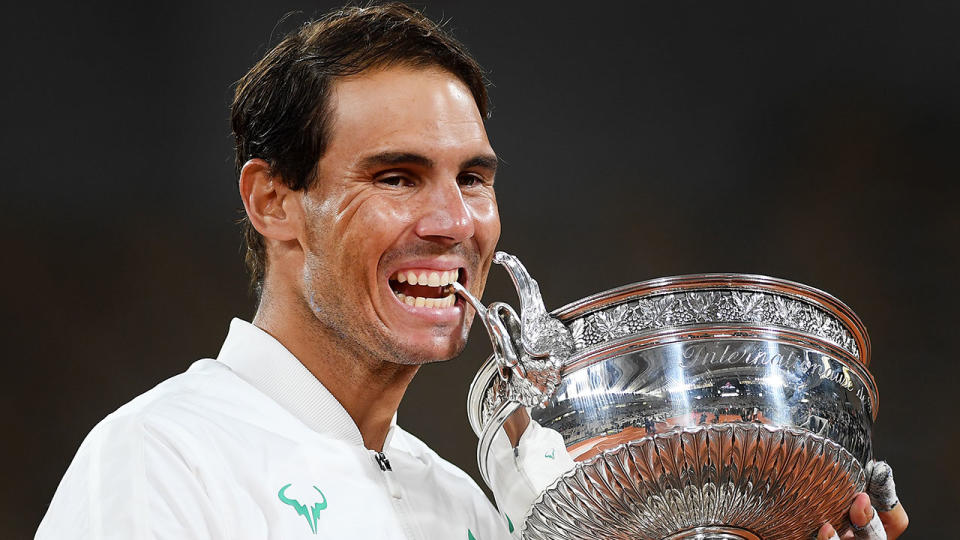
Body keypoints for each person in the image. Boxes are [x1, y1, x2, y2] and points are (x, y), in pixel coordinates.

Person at [36, 3, 908, 539]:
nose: (453, 223)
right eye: (395, 177)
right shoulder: (159, 461)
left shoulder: (467, 506)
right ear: (274, 203)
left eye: (474, 179)